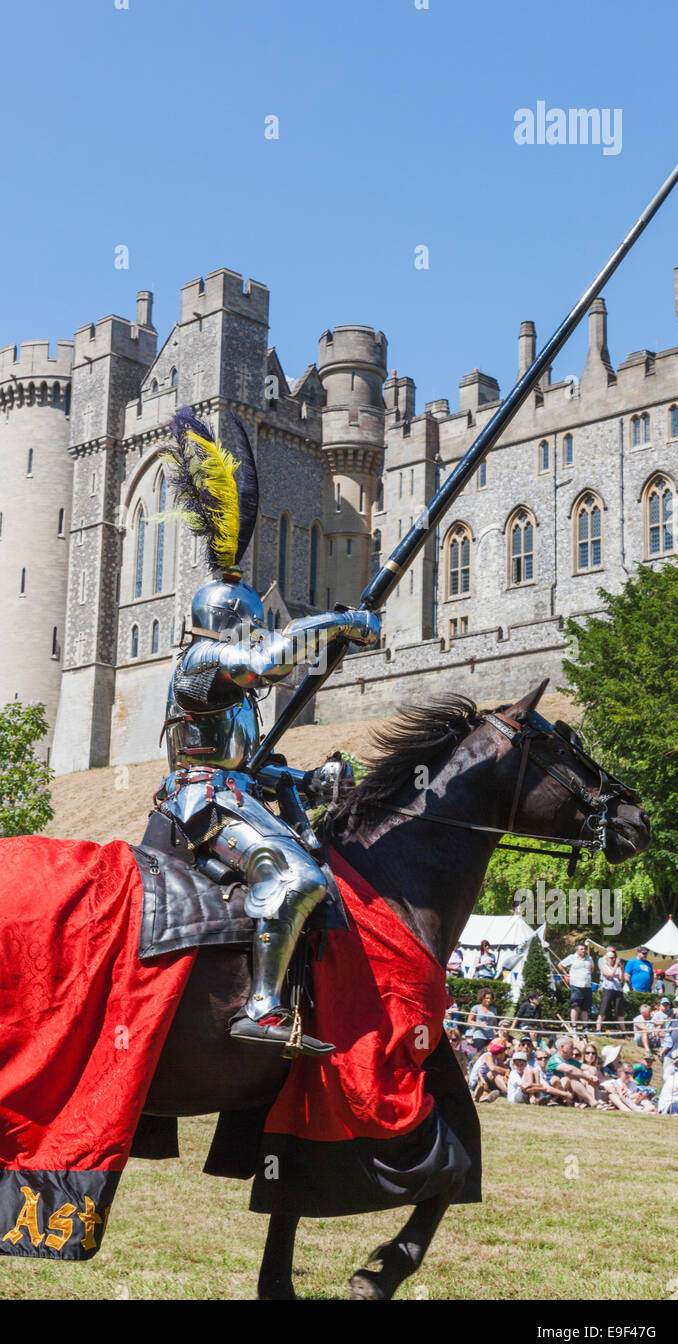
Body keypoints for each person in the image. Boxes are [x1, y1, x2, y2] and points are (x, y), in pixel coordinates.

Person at [154, 408, 380, 1055]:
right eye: (247, 629)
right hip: (201, 799)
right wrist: (338, 623)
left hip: (231, 790)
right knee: (296, 881)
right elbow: (266, 662)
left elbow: (253, 765)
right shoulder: (201, 664)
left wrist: (308, 779)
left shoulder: (229, 676)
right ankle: (263, 1009)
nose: (254, 638)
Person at [545, 1035, 599, 1107]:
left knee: (584, 1073)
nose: (573, 1049)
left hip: (569, 1091)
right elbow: (571, 1070)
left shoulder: (570, 1060)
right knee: (569, 1077)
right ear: (562, 1047)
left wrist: (592, 1075)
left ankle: (593, 1101)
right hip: (553, 1091)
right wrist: (589, 1078)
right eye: (571, 1047)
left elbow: (591, 1068)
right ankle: (591, 1102)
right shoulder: (554, 1060)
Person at [558, 942, 594, 1028]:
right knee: (575, 1006)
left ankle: (585, 1027)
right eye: (581, 949)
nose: (584, 950)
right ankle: (574, 1026)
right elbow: (560, 965)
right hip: (576, 985)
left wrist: (587, 976)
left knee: (586, 1008)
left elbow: (592, 968)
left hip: (587, 985)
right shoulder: (572, 957)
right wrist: (565, 973)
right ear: (577, 950)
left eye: (584, 949)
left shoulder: (589, 958)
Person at [595, 947, 625, 1033]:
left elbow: (621, 979)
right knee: (603, 1010)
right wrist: (616, 965)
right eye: (611, 958)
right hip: (608, 989)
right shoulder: (604, 966)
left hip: (618, 990)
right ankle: (598, 1029)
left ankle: (623, 1030)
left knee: (620, 1012)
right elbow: (610, 975)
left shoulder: (618, 967)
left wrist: (622, 969)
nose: (614, 959)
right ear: (607, 959)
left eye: (614, 958)